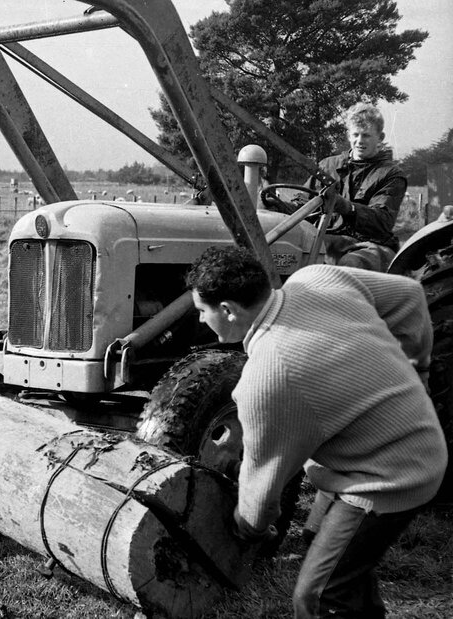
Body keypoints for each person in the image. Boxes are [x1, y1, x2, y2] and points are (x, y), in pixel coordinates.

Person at [186, 245, 447, 619]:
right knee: (319, 540)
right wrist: (416, 369)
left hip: (391, 476)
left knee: (319, 597)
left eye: (201, 311)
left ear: (227, 310)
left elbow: (261, 491)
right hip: (411, 435)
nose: (200, 321)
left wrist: (248, 531)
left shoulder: (268, 376)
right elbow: (409, 295)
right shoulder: (318, 278)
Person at [311, 102, 407, 271]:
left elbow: (382, 221)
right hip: (327, 239)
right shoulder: (327, 166)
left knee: (351, 264)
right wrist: (275, 205)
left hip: (371, 245)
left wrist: (348, 208)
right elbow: (303, 203)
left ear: (381, 137)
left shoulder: (391, 174)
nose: (359, 141)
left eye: (366, 135)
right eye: (355, 134)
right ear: (349, 135)